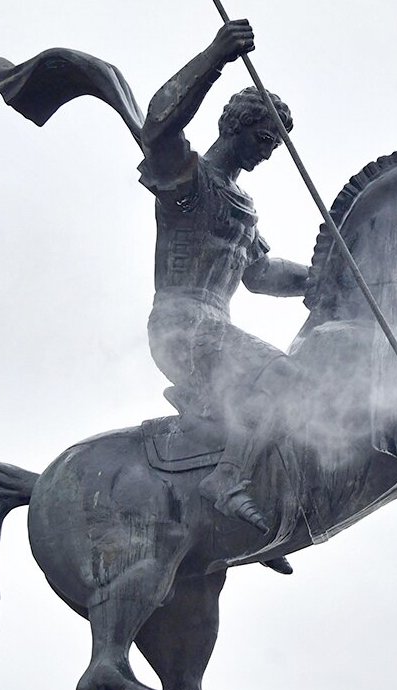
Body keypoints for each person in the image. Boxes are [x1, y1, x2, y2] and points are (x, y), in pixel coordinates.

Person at [139, 20, 309, 533]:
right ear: (235, 126)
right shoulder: (187, 179)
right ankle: (227, 481)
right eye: (264, 138)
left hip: (215, 328)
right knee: (285, 377)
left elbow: (259, 275)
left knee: (292, 406)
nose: (268, 151)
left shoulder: (244, 206)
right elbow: (157, 125)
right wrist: (216, 56)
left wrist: (325, 274)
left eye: (276, 144)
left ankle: (235, 496)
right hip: (181, 324)